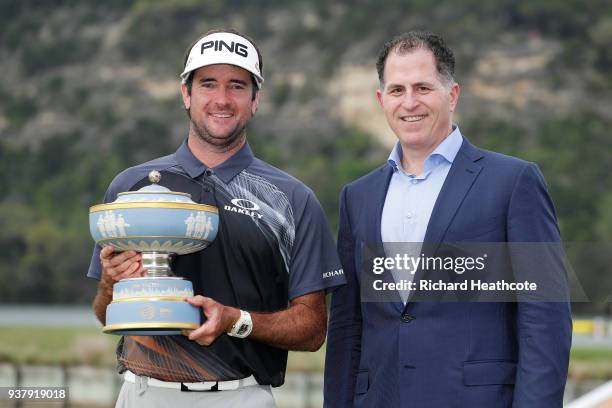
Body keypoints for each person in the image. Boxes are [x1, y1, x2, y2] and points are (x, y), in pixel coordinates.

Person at [87, 28, 345, 407]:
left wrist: (236, 320)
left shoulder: (293, 199)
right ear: (186, 94)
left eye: (237, 86)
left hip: (242, 396)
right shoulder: (133, 187)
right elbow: (103, 312)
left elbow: (312, 329)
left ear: (255, 100)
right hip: (144, 393)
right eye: (208, 84)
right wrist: (111, 283)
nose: (222, 99)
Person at [324, 31, 571, 407]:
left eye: (423, 87)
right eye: (396, 90)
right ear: (381, 99)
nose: (409, 103)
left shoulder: (513, 182)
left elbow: (545, 320)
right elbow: (347, 327)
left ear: (452, 94)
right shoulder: (357, 197)